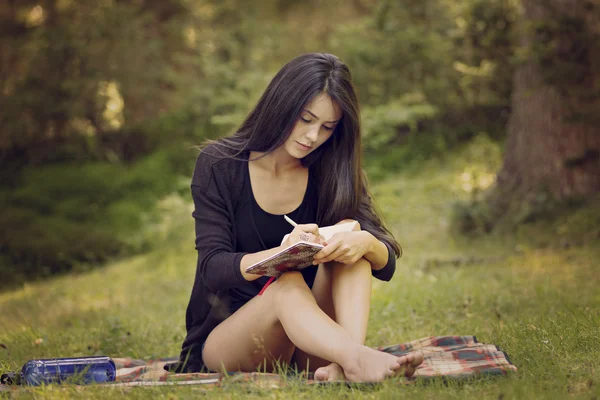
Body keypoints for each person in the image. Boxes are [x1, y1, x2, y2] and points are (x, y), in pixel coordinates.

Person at [168, 53, 423, 382]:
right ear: (280, 104)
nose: (313, 136)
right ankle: (356, 360)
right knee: (286, 285)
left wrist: (363, 240)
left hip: (307, 340)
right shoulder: (220, 164)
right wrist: (281, 256)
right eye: (305, 119)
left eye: (327, 127)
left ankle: (343, 364)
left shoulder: (329, 167)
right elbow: (213, 268)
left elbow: (385, 262)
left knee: (353, 243)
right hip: (229, 340)